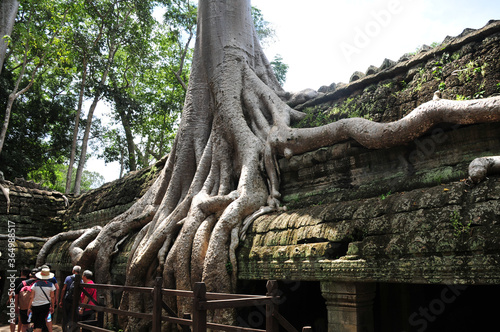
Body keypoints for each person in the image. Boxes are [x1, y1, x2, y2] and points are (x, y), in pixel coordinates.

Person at [27, 267, 56, 332]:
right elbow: (52, 297)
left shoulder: (35, 285)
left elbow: (31, 297)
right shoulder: (51, 285)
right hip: (45, 306)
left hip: (35, 306)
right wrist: (53, 306)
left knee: (37, 323)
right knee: (40, 323)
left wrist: (29, 308)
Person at [59, 265, 81, 332]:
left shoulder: (68, 278)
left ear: (73, 271)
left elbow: (64, 289)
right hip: (75, 300)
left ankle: (64, 330)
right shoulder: (81, 280)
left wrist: (61, 300)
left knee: (65, 316)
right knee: (73, 316)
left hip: (67, 299)